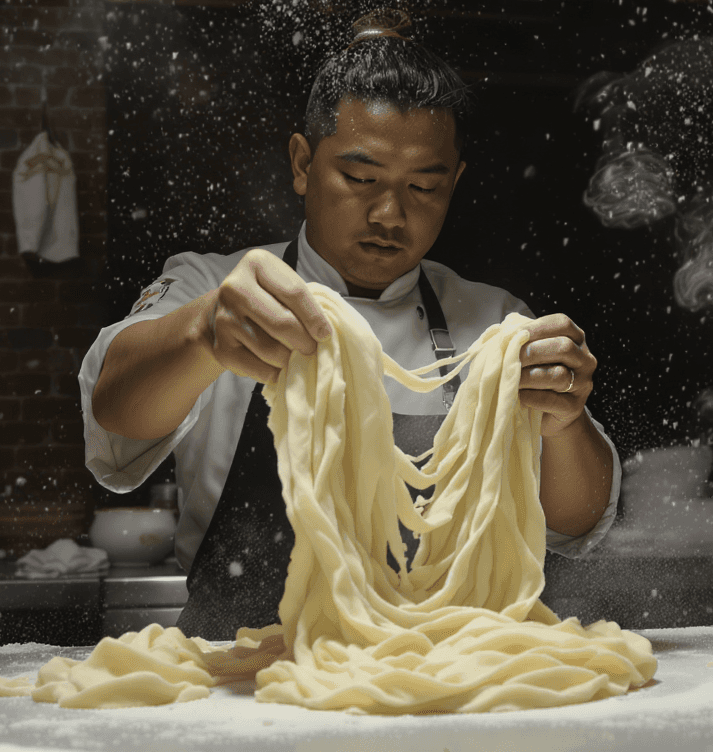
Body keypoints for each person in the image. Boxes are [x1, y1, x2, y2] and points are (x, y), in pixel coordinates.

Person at [79, 11, 619, 640]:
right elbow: (115, 411)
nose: (391, 213)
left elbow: (576, 523)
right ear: (303, 163)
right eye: (361, 178)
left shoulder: (496, 322)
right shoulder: (219, 291)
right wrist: (201, 334)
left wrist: (566, 419)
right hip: (241, 679)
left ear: (456, 184)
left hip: (440, 675)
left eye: (424, 186)